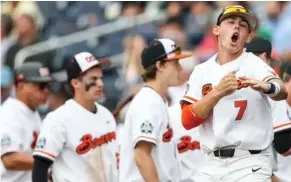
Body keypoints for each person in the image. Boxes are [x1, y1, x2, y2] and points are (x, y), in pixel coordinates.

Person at [181, 5, 288, 182]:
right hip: (211, 164)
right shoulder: (201, 71)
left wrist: (267, 87)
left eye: (243, 25)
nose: (236, 27)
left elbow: (281, 90)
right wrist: (217, 92)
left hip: (249, 162)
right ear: (216, 30)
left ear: (249, 37)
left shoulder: (255, 65)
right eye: (231, 22)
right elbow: (187, 120)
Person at [32, 52, 119, 182]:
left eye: (101, 78)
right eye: (93, 79)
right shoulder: (58, 119)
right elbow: (39, 168)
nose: (100, 84)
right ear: (75, 83)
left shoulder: (106, 114)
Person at [119, 38, 191, 182]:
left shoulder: (155, 100)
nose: (180, 68)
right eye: (175, 63)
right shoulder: (147, 101)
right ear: (160, 65)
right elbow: (141, 155)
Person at [245, 36, 291, 182]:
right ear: (264, 57)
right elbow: (284, 146)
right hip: (258, 172)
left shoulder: (225, 84)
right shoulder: (272, 93)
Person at [0, 62, 51, 182]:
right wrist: (50, 163)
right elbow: (10, 160)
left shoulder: (31, 112)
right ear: (21, 85)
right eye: (41, 85)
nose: (46, 91)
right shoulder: (9, 113)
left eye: (48, 85)